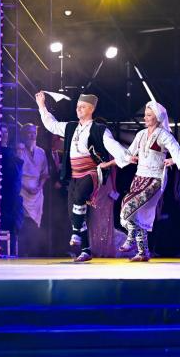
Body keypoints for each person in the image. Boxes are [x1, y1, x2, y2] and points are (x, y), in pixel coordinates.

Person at [36, 91, 130, 262]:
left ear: (91, 109)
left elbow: (113, 145)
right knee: (74, 213)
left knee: (80, 197)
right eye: (78, 106)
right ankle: (86, 250)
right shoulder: (71, 127)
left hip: (91, 172)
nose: (78, 109)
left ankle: (75, 232)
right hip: (74, 174)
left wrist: (126, 156)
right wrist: (42, 105)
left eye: (83, 107)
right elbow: (52, 125)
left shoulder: (99, 129)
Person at [119, 101, 180, 261]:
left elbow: (177, 151)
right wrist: (126, 158)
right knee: (137, 215)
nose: (145, 118)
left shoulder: (164, 135)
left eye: (149, 115)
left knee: (127, 204)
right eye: (145, 115)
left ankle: (131, 238)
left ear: (158, 117)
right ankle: (143, 252)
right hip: (138, 178)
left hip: (154, 179)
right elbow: (128, 152)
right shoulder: (141, 134)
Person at [17, 123, 50, 257]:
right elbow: (16, 172)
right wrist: (26, 188)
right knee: (24, 222)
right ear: (24, 135)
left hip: (36, 193)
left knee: (35, 225)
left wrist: (39, 187)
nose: (32, 136)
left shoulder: (41, 152)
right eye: (29, 133)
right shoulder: (19, 150)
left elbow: (45, 174)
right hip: (22, 190)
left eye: (34, 133)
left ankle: (33, 252)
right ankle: (22, 251)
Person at [0, 123, 23, 256]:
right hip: (1, 193)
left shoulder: (11, 153)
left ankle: (13, 250)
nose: (4, 136)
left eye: (6, 133)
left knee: (13, 221)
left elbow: (16, 175)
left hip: (11, 194)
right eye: (2, 133)